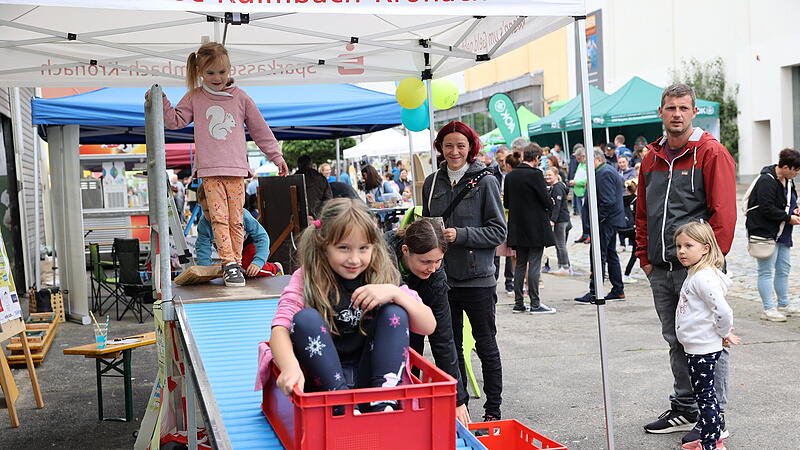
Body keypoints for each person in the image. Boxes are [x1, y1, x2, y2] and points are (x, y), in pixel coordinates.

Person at [636, 83, 737, 443]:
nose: (676, 114)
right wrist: (644, 257)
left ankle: (715, 417)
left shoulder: (710, 153)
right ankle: (686, 407)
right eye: (670, 108)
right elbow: (643, 212)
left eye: (683, 108)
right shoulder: (652, 157)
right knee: (677, 338)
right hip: (661, 268)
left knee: (711, 342)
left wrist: (708, 265)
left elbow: (724, 214)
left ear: (694, 112)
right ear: (660, 113)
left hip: (698, 270)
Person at [269, 199, 435, 414]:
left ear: (373, 246)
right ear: (323, 245)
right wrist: (289, 367)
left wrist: (394, 293)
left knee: (395, 311)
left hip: (371, 376)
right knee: (305, 319)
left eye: (363, 248)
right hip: (325, 386)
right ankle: (342, 404)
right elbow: (279, 327)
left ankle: (385, 402)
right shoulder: (307, 277)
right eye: (343, 248)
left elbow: (429, 326)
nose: (354, 259)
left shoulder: (381, 275)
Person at [155, 42, 288, 287]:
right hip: (210, 169)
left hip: (236, 169)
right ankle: (230, 264)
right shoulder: (195, 96)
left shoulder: (240, 97)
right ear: (199, 72)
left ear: (229, 70)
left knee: (235, 218)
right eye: (210, 73)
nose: (217, 78)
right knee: (218, 218)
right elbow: (176, 120)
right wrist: (160, 100)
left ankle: (234, 261)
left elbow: (260, 129)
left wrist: (276, 156)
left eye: (222, 72)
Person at [422, 121, 506, 421]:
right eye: (448, 145)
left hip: (478, 279)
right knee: (449, 347)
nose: (454, 151)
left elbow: (498, 232)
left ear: (471, 147)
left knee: (486, 345)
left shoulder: (486, 181)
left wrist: (461, 235)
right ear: (440, 148)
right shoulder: (431, 182)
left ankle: (493, 410)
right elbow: (427, 228)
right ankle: (460, 408)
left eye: (460, 145)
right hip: (441, 278)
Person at [384, 219, 470, 424]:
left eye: (438, 261)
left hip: (416, 323)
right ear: (405, 250)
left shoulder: (435, 276)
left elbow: (443, 339)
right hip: (380, 327)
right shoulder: (381, 257)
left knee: (414, 354)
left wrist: (456, 399)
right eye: (425, 262)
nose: (432, 268)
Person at [673, 222, 740, 450]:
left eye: (688, 245)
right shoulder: (696, 273)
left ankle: (711, 444)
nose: (681, 251)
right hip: (696, 346)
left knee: (705, 397)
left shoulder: (703, 277)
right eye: (679, 246)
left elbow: (723, 310)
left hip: (702, 349)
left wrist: (724, 333)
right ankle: (710, 440)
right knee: (705, 394)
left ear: (705, 248)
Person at [744, 148, 800, 322]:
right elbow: (766, 208)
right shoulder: (766, 181)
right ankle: (768, 308)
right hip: (765, 232)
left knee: (783, 269)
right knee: (765, 271)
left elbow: (790, 202)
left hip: (783, 232)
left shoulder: (788, 181)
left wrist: (795, 210)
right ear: (784, 166)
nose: (797, 173)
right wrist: (788, 217)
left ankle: (783, 304)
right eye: (795, 169)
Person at [504, 143, 556, 314]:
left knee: (520, 264)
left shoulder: (510, 176)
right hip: (535, 226)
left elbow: (507, 203)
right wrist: (551, 202)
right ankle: (535, 303)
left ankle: (519, 303)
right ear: (536, 158)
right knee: (534, 263)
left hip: (517, 226)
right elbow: (546, 201)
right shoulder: (535, 174)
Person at [195, 184, 283, 279]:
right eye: (207, 211)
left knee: (249, 269)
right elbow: (202, 248)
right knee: (234, 273)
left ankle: (275, 268)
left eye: (215, 210)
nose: (213, 215)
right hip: (228, 252)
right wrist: (205, 271)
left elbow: (261, 236)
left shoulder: (242, 215)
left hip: (248, 246)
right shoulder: (204, 224)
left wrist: (258, 261)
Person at [574, 148, 626, 303]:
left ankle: (596, 291)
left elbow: (608, 201)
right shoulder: (604, 171)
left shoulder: (605, 173)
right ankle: (617, 289)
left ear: (597, 159)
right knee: (610, 255)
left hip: (605, 222)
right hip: (608, 221)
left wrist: (599, 220)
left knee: (598, 256)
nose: (585, 165)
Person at [545, 166, 572, 275]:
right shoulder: (555, 187)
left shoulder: (557, 188)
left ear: (556, 175)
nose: (547, 177)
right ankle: (564, 266)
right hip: (563, 219)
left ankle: (564, 267)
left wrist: (553, 220)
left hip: (560, 220)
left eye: (550, 175)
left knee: (560, 244)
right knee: (560, 244)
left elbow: (557, 205)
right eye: (546, 175)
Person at [295, 154, 333, 219]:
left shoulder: (293, 178)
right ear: (311, 164)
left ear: (298, 165)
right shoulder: (321, 178)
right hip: (318, 218)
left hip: (298, 219)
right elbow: (328, 199)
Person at [569, 147, 590, 243]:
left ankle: (589, 234)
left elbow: (587, 179)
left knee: (586, 215)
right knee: (582, 216)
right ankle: (585, 233)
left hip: (583, 193)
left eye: (579, 158)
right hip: (577, 192)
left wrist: (576, 182)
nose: (577, 160)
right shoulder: (581, 164)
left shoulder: (587, 165)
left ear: (583, 156)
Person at [621, 179, 639, 283]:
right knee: (636, 252)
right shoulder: (636, 200)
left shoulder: (622, 199)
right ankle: (627, 274)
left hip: (624, 227)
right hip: (634, 228)